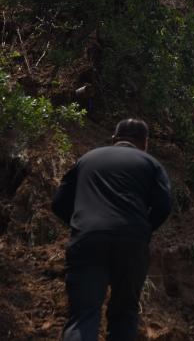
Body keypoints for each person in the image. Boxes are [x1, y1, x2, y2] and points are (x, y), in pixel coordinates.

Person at [52, 119, 172, 341]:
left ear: (114, 138)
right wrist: (143, 230)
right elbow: (164, 206)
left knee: (83, 315)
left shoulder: (87, 159)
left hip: (87, 240)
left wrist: (82, 226)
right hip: (132, 242)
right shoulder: (151, 163)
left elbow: (58, 203)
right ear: (145, 142)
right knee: (124, 314)